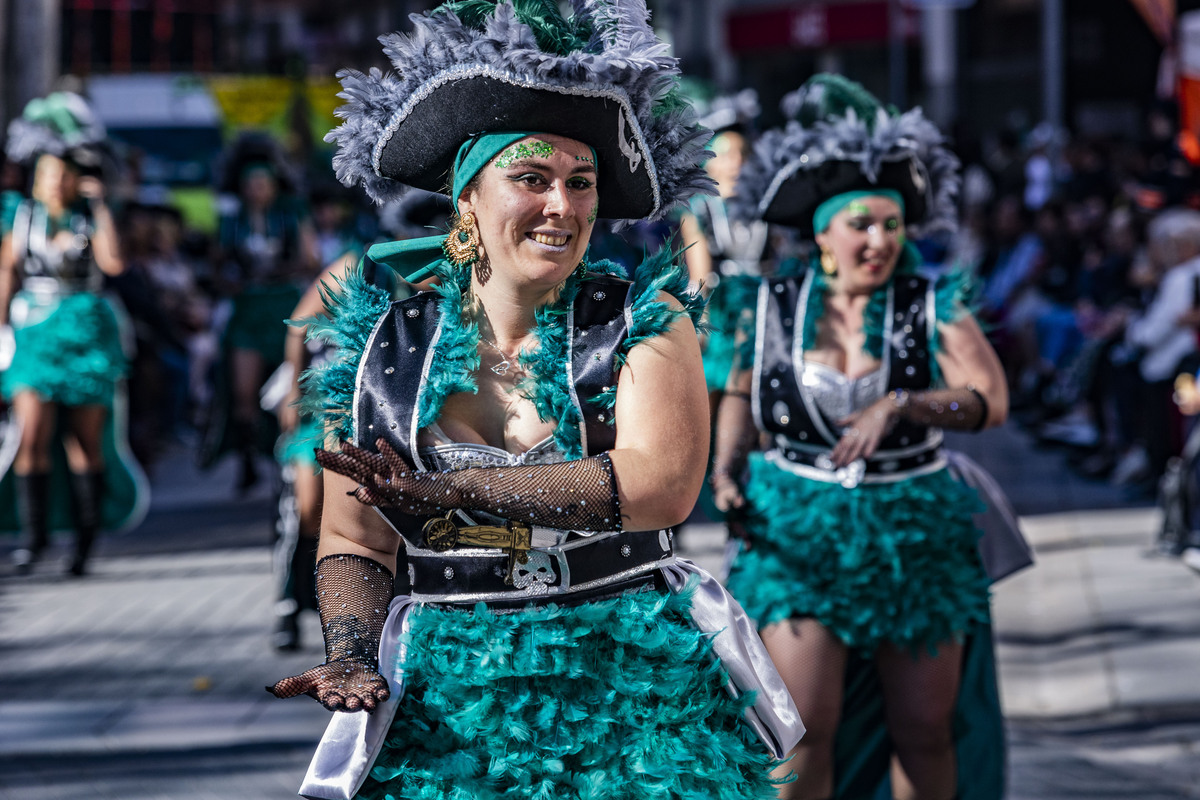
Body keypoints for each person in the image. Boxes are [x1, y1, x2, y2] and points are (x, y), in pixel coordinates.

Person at [266, 2, 803, 798]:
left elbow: (658, 484)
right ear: (467, 199)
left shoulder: (641, 321)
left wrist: (460, 492)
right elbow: (357, 539)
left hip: (631, 684)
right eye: (531, 178)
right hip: (450, 698)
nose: (563, 206)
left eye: (580, 183)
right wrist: (349, 649)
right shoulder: (382, 350)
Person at [712, 75, 1010, 800]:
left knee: (923, 728)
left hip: (914, 530)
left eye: (892, 224)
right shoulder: (771, 302)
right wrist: (725, 469)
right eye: (862, 224)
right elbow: (742, 391)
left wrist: (907, 403)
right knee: (800, 725)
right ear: (822, 232)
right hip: (797, 527)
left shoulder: (932, 303)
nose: (880, 241)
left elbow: (989, 401)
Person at [0, 91, 148, 575]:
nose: (54, 181)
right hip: (36, 336)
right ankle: (34, 539)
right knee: (31, 435)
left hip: (86, 334)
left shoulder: (89, 216)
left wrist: (100, 204)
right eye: (46, 173)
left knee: (84, 442)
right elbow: (7, 275)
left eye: (63, 174)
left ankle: (83, 544)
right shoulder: (20, 218)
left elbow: (114, 263)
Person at [203, 131, 319, 491]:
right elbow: (215, 266)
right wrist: (232, 281)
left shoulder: (291, 214)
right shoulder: (231, 220)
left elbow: (311, 259)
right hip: (248, 309)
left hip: (284, 306)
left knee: (291, 385)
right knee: (244, 393)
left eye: (262, 183)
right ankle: (249, 461)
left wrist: (279, 271)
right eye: (249, 184)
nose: (256, 190)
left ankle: (287, 459)